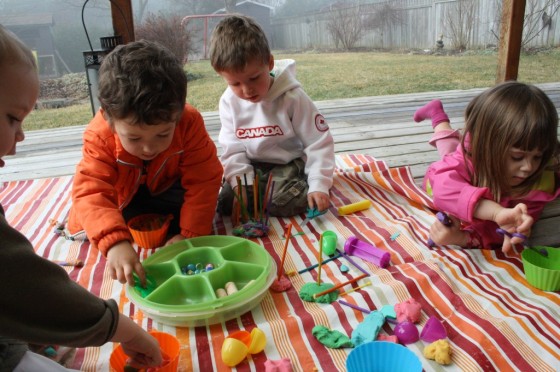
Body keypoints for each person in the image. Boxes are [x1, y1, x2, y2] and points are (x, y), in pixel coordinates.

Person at [0, 25, 162, 371]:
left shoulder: (189, 126)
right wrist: (119, 327)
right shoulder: (98, 139)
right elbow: (23, 284)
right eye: (12, 118)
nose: (23, 136)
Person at [67, 40, 223, 286]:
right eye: (135, 138)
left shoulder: (189, 122)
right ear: (108, 118)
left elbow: (205, 178)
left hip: (167, 188)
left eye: (163, 134)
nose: (150, 148)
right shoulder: (99, 135)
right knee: (103, 219)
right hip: (123, 197)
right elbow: (92, 191)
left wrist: (189, 234)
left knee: (202, 205)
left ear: (179, 112)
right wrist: (116, 243)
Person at [209, 14, 335, 220]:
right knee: (226, 204)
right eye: (235, 84)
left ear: (269, 62)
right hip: (253, 164)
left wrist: (319, 183)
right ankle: (261, 193)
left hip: (288, 164)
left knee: (281, 203)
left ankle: (302, 182)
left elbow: (319, 142)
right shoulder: (228, 102)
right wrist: (240, 183)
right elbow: (232, 149)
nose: (247, 90)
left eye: (254, 78)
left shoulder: (292, 97)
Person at [415, 81, 560, 253]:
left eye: (538, 156)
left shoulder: (540, 183)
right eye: (517, 156)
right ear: (484, 148)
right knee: (448, 149)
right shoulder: (469, 156)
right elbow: (443, 188)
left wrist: (462, 238)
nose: (529, 167)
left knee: (452, 147)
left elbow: (500, 233)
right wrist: (496, 213)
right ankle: (437, 114)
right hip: (466, 160)